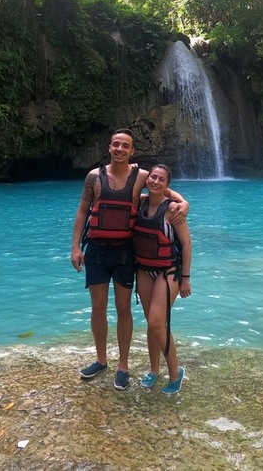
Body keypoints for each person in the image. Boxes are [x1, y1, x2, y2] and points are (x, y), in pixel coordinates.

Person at [70, 128, 188, 390]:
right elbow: (82, 212)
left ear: (132, 151)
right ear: (109, 148)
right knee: (98, 306)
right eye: (116, 145)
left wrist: (184, 203)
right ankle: (101, 360)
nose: (120, 149)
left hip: (125, 252)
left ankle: (123, 366)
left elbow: (165, 190)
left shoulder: (142, 177)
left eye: (125, 146)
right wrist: (75, 247)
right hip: (97, 251)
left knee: (123, 307)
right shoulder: (93, 178)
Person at [133, 163, 192, 395]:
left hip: (169, 271)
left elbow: (186, 243)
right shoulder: (140, 202)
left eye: (161, 179)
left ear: (167, 185)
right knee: (151, 323)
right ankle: (154, 370)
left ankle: (176, 374)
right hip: (144, 269)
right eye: (152, 178)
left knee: (157, 322)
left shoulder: (173, 209)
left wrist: (186, 278)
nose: (155, 182)